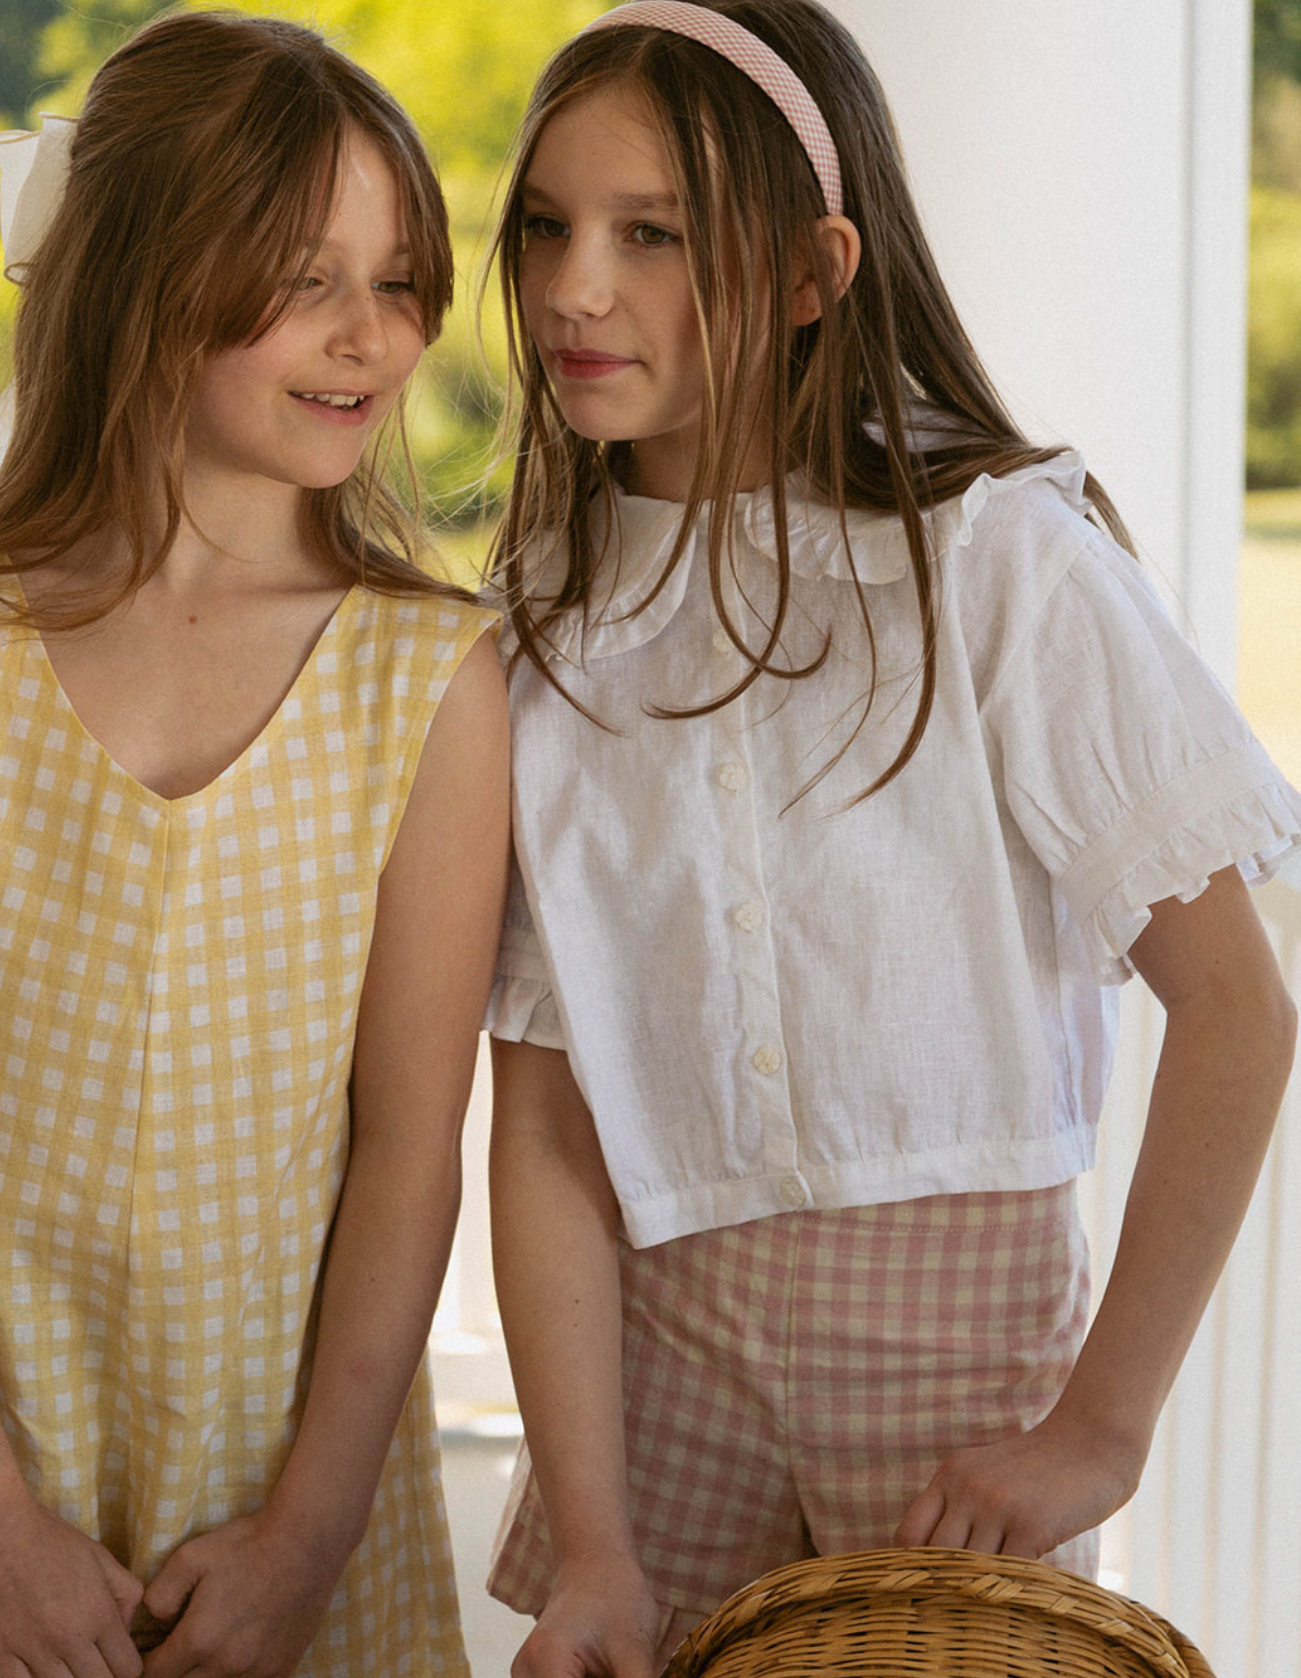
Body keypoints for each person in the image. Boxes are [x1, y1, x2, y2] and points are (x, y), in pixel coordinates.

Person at [479, 3, 1301, 1674]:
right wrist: (592, 1542)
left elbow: (1236, 1005)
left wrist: (1100, 1427)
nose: (573, 287)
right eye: (547, 226)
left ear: (810, 271)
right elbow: (549, 1120)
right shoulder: (538, 635)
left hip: (957, 1362)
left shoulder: (994, 565)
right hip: (649, 1374)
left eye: (651, 234)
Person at [0, 13, 508, 1678]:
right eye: (303, 279)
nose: (371, 336)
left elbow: (409, 1151)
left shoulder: (427, 680)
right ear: (139, 273)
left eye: (399, 281)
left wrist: (305, 1538)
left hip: (287, 1522)